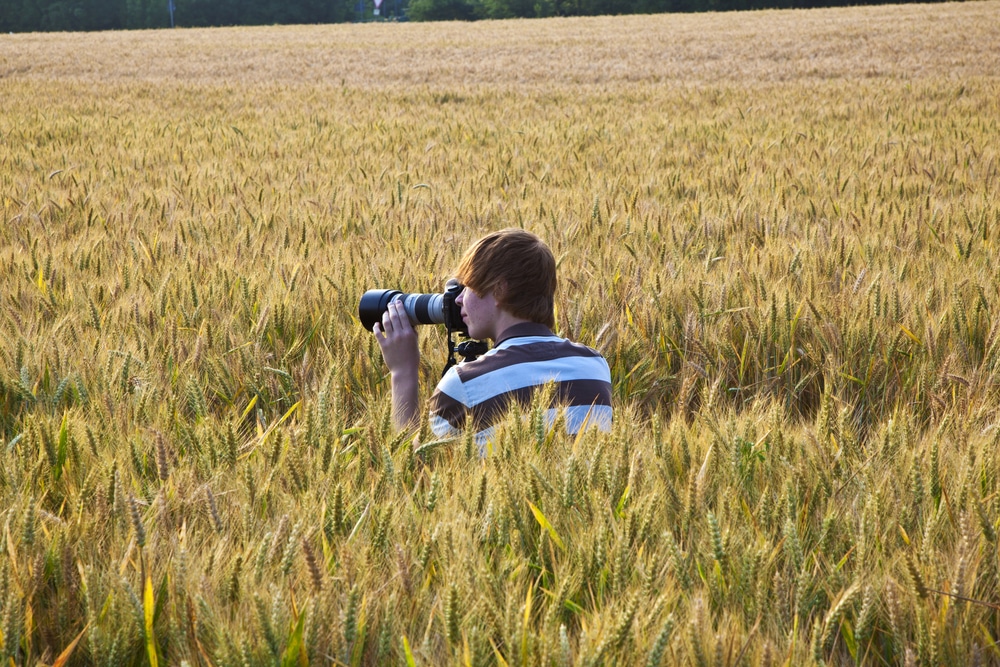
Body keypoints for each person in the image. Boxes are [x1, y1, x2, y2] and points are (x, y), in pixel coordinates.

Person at [373, 229, 612, 453]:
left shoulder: (463, 385)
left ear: (499, 290)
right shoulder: (596, 365)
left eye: (467, 286)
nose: (458, 300)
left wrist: (403, 372)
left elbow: (413, 469)